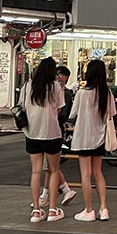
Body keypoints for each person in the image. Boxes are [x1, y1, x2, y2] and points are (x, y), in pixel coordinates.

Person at [20, 57, 67, 222]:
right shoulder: (56, 87)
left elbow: (22, 107)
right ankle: (53, 210)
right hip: (51, 133)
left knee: (35, 171)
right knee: (53, 170)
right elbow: (60, 109)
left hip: (32, 133)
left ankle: (36, 211)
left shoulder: (28, 86)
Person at [69, 60, 116, 221]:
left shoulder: (82, 93)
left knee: (85, 175)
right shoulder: (107, 93)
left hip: (83, 138)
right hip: (100, 138)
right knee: (98, 172)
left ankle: (88, 210)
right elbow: (112, 113)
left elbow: (72, 114)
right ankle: (103, 209)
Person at [39, 66, 77, 209]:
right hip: (54, 130)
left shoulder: (62, 92)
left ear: (66, 77)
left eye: (61, 75)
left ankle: (56, 195)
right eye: (57, 74)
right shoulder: (56, 90)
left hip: (52, 131)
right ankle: (48, 195)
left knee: (50, 166)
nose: (58, 77)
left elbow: (61, 113)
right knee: (50, 166)